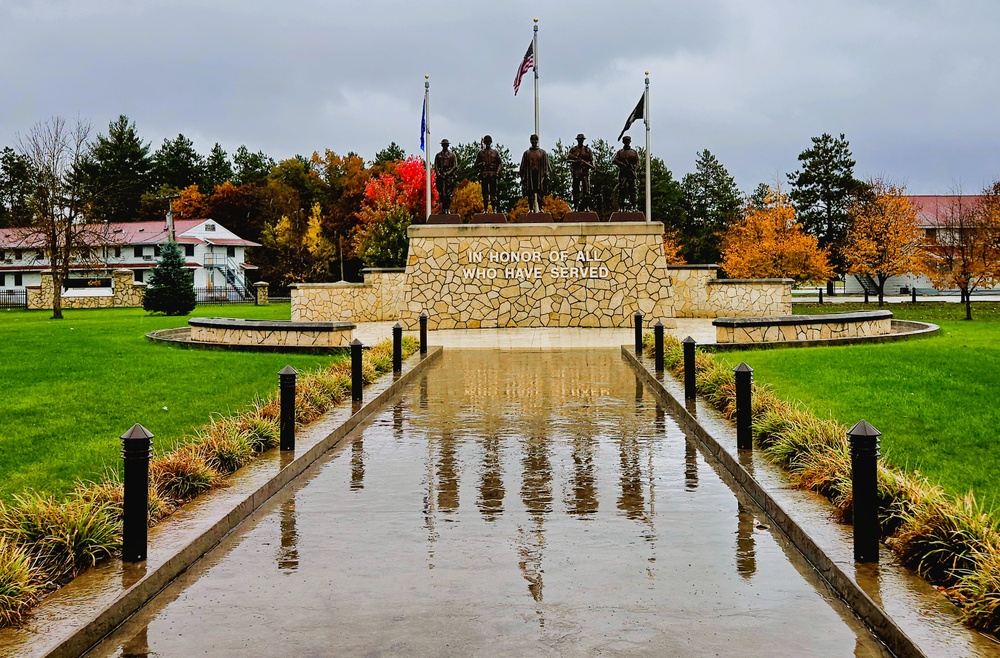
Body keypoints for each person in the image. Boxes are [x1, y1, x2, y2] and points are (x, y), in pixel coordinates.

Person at [519, 134, 549, 212]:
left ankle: (540, 208)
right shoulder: (527, 153)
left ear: (537, 141)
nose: (534, 142)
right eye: (532, 140)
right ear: (530, 141)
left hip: (539, 176)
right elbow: (522, 166)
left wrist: (546, 174)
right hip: (530, 176)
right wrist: (522, 176)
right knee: (530, 193)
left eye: (535, 140)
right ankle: (531, 209)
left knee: (540, 193)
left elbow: (546, 165)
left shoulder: (542, 153)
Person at [475, 135, 502, 213]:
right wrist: (481, 164)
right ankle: (486, 210)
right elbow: (475, 165)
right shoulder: (481, 153)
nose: (487, 143)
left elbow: (500, 164)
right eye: (486, 142)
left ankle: (494, 210)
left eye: (489, 142)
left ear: (491, 142)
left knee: (493, 194)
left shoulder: (495, 153)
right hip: (484, 175)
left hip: (493, 174)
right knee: (485, 194)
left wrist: (497, 172)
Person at [567, 133, 594, 211]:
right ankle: (575, 207)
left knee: (586, 191)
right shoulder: (573, 150)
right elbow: (568, 160)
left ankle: (586, 207)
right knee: (575, 191)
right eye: (579, 140)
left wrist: (585, 164)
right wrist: (576, 161)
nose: (580, 141)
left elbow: (592, 164)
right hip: (576, 173)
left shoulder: (587, 150)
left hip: (585, 173)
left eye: (581, 140)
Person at [613, 135, 640, 211]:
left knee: (633, 190)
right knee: (622, 189)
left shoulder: (633, 152)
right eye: (625, 141)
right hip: (623, 173)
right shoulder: (620, 152)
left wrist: (635, 170)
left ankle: (634, 206)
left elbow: (638, 163)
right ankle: (621, 207)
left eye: (628, 141)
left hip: (631, 173)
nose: (627, 142)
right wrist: (622, 164)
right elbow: (614, 160)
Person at [434, 139, 458, 214]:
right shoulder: (438, 155)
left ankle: (447, 209)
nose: (445, 146)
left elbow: (455, 166)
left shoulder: (452, 155)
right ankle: (443, 209)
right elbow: (436, 166)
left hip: (449, 177)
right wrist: (438, 174)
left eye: (446, 145)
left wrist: (448, 173)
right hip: (441, 177)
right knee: (442, 194)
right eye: (443, 145)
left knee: (448, 194)